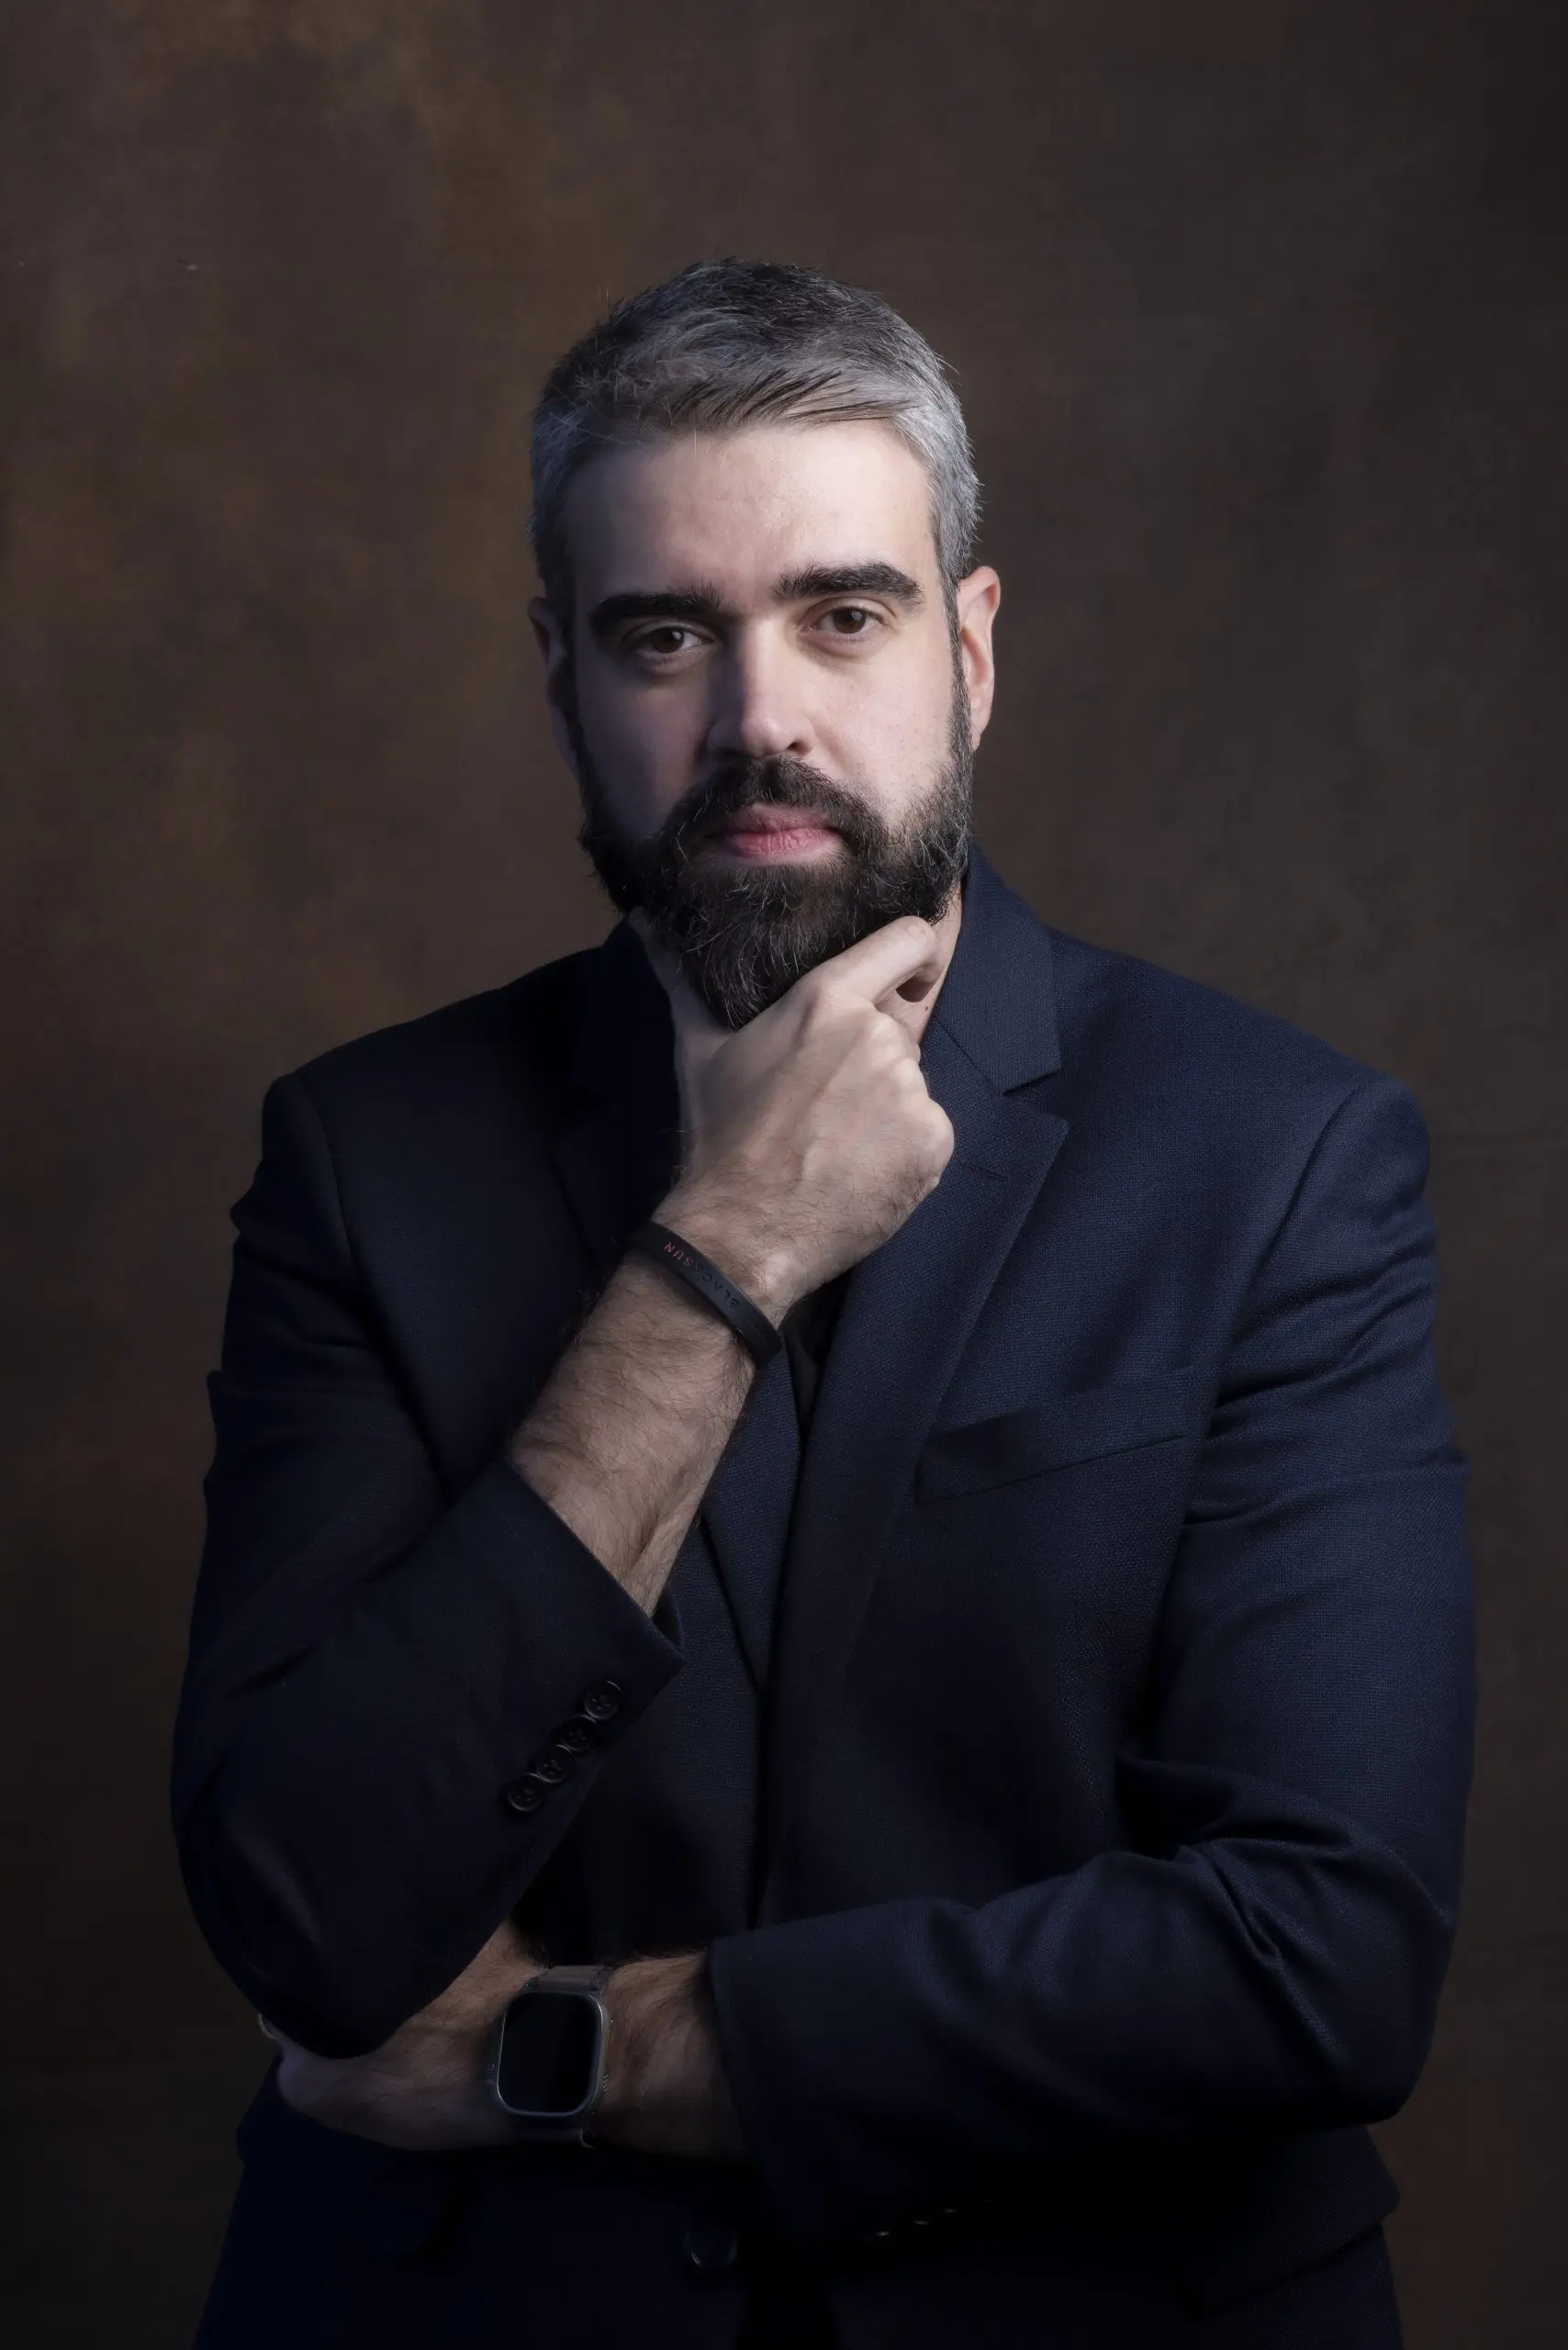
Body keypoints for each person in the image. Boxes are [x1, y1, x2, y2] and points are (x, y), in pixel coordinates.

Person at [174, 259, 1473, 2349]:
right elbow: (314, 1915)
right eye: (664, 635)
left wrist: (571, 2050)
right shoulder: (362, 1158)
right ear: (560, 676)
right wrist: (720, 1257)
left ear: (970, 650)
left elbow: (1312, 1960)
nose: (757, 717)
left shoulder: (1279, 1160)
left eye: (842, 616)